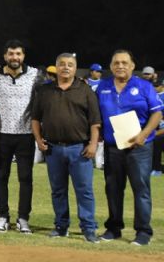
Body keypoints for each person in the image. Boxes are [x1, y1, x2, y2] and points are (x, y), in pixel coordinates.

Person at [31, 53, 101, 243]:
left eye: (70, 64)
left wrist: (93, 144)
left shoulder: (85, 90)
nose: (66, 67)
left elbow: (95, 121)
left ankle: (89, 228)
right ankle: (61, 226)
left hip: (79, 149)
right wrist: (38, 139)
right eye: (62, 64)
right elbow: (35, 118)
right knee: (58, 190)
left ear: (75, 68)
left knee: (84, 190)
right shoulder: (45, 91)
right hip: (53, 149)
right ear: (56, 67)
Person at [95, 50, 163, 246]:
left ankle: (143, 232)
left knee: (141, 189)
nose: (120, 66)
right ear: (111, 65)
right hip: (112, 147)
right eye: (116, 62)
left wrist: (143, 135)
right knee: (113, 188)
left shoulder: (144, 86)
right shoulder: (103, 87)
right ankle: (114, 228)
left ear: (133, 66)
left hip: (139, 147)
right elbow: (96, 114)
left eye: (125, 62)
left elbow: (157, 113)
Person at [0, 40, 39, 234]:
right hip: (1, 134)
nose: (14, 57)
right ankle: (2, 217)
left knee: (25, 178)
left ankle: (23, 219)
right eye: (11, 54)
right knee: (1, 177)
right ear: (5, 56)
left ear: (23, 56)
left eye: (18, 54)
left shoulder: (34, 75)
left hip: (26, 135)